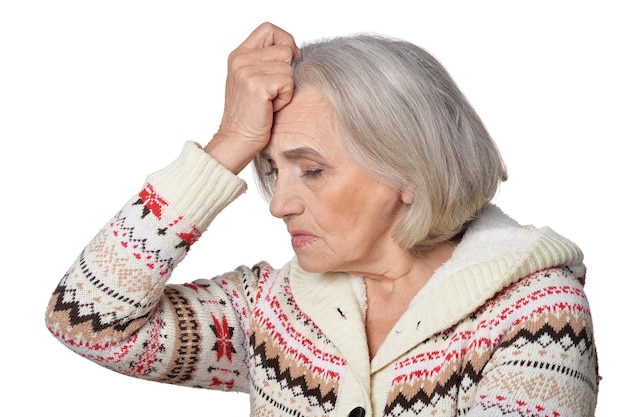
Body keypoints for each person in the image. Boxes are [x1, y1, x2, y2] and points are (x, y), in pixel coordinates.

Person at [45, 22, 599, 416]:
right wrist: (229, 143)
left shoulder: (536, 314)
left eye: (310, 170)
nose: (278, 203)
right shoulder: (273, 309)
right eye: (271, 171)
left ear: (408, 170)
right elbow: (87, 318)